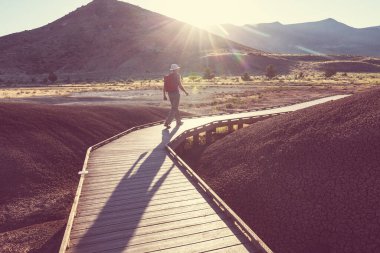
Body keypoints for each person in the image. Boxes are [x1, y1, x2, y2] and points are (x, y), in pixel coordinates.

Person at [163, 64, 189, 129]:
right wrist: (185, 92)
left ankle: (179, 121)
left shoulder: (168, 76)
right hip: (176, 93)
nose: (178, 69)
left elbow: (164, 86)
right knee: (174, 108)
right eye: (177, 68)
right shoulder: (177, 75)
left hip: (169, 94)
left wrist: (164, 95)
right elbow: (180, 85)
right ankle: (167, 122)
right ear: (176, 69)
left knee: (175, 107)